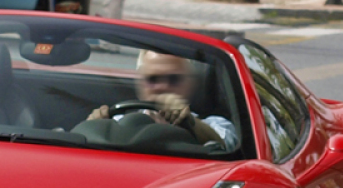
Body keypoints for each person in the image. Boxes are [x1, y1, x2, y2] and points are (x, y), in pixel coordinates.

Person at [84, 50, 237, 151]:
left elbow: (226, 145)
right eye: (154, 79)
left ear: (190, 85)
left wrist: (191, 123)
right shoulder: (115, 123)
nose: (163, 87)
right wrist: (92, 127)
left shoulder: (215, 124)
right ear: (140, 84)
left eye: (174, 79)